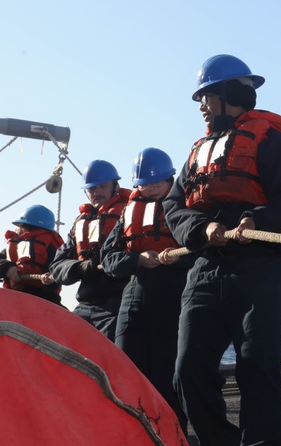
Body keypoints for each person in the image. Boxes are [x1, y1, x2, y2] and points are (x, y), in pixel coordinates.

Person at [164, 54, 281, 446]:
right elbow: (174, 207)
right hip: (205, 269)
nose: (202, 106)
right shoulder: (197, 152)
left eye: (206, 96)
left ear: (228, 94)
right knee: (187, 369)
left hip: (262, 268)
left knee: (257, 368)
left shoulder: (273, 142)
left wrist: (257, 221)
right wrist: (202, 227)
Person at [101, 147, 191, 431]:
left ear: (170, 181)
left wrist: (172, 257)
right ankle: (132, 432)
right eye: (144, 184)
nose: (151, 190)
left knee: (168, 373)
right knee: (126, 368)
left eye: (157, 183)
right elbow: (108, 258)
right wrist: (137, 259)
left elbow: (200, 247)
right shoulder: (130, 211)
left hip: (175, 295)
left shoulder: (186, 205)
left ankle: (173, 432)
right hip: (135, 296)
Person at [50, 159, 131, 340]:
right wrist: (78, 268)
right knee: (63, 343)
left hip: (119, 302)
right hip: (86, 303)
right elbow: (57, 266)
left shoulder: (129, 213)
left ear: (115, 186)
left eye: (102, 186)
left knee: (109, 354)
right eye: (92, 189)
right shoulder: (81, 223)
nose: (97, 192)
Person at [0, 204, 64, 304]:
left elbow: (56, 277)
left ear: (23, 227)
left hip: (35, 299)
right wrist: (8, 268)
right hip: (42, 302)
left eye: (18, 225)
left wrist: (49, 281)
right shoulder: (54, 247)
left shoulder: (18, 245)